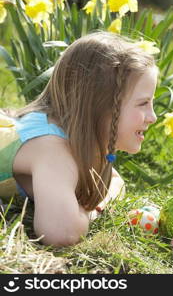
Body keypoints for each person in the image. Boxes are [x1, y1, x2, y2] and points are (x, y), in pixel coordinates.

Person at [0, 32, 158, 247]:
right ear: (99, 106)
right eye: (143, 103)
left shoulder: (69, 137)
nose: (153, 117)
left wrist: (104, 194)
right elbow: (62, 233)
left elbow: (113, 179)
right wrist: (96, 207)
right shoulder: (54, 151)